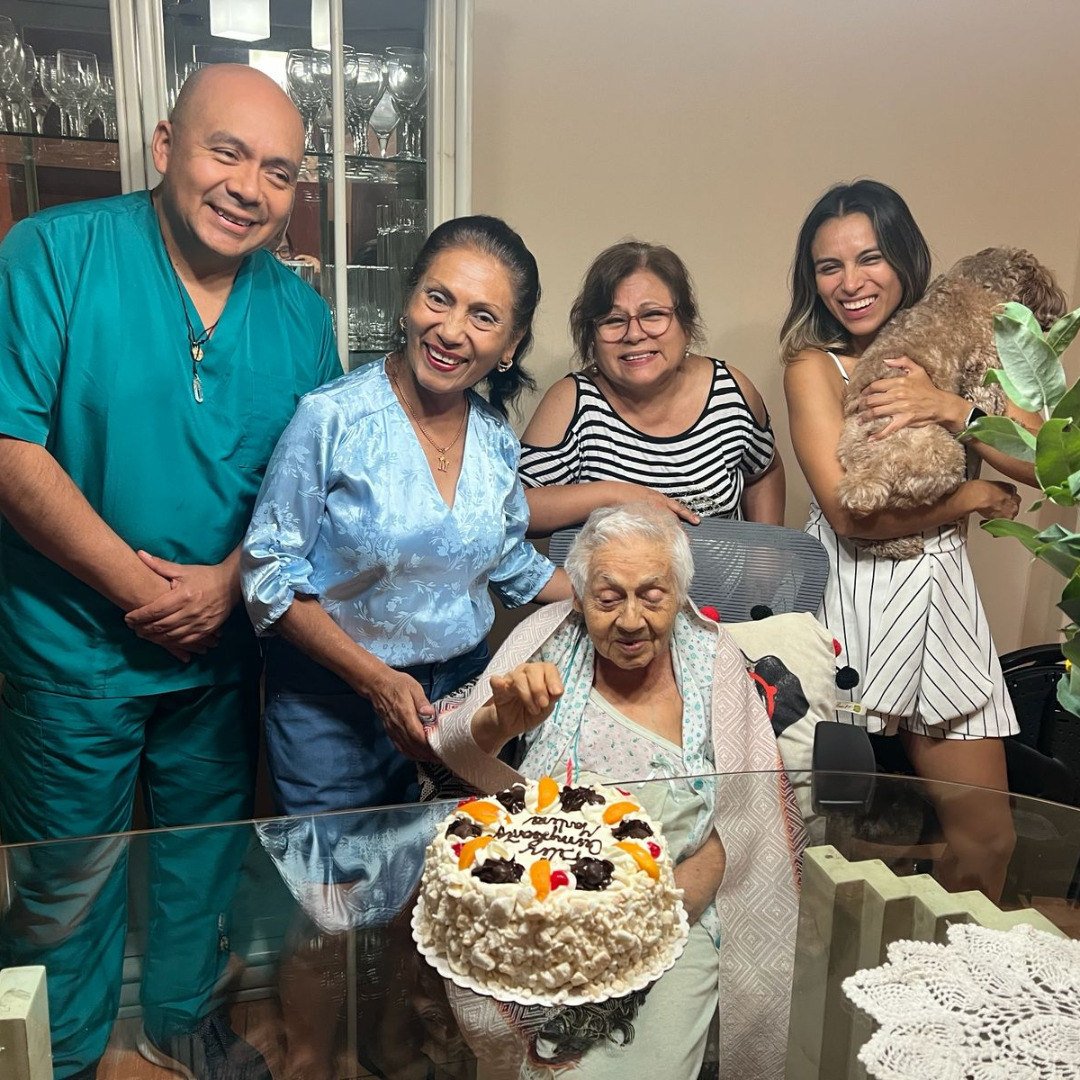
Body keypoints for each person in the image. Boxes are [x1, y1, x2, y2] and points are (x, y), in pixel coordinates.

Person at [0, 64, 341, 1079]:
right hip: (73, 650)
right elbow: (11, 449)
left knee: (202, 857)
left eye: (277, 171)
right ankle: (61, 1055)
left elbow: (313, 485)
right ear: (163, 147)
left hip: (220, 654)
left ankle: (179, 1025)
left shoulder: (299, 315)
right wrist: (144, 592)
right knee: (65, 878)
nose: (248, 188)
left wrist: (229, 583)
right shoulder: (54, 255)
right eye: (225, 153)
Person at [429, 503, 802, 1080]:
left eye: (652, 596)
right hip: (543, 916)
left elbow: (744, 815)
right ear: (579, 599)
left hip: (675, 910)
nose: (631, 621)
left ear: (679, 593)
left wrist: (652, 917)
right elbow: (460, 748)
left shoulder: (714, 662)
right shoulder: (548, 644)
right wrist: (501, 723)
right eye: (608, 599)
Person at [241, 214, 571, 820]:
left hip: (464, 703)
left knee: (457, 870)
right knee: (340, 878)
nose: (451, 331)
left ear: (510, 344)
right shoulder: (332, 418)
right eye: (438, 298)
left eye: (483, 317)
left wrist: (612, 598)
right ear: (409, 300)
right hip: (333, 708)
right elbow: (268, 574)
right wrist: (376, 680)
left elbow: (509, 560)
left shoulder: (496, 439)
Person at [780, 179, 1042, 897]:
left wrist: (954, 408)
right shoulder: (813, 364)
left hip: (941, 595)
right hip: (845, 600)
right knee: (830, 840)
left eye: (869, 258)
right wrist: (971, 497)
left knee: (987, 838)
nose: (850, 282)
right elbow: (848, 514)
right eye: (829, 266)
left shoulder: (970, 346)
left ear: (904, 257)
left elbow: (1046, 465)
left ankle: (935, 963)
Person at [519, 241, 785, 535]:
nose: (634, 334)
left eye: (652, 315)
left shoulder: (730, 391)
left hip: (721, 568)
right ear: (591, 336)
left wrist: (767, 548)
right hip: (611, 567)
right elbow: (515, 510)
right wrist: (615, 495)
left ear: (685, 324)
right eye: (613, 320)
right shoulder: (573, 402)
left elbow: (764, 471)